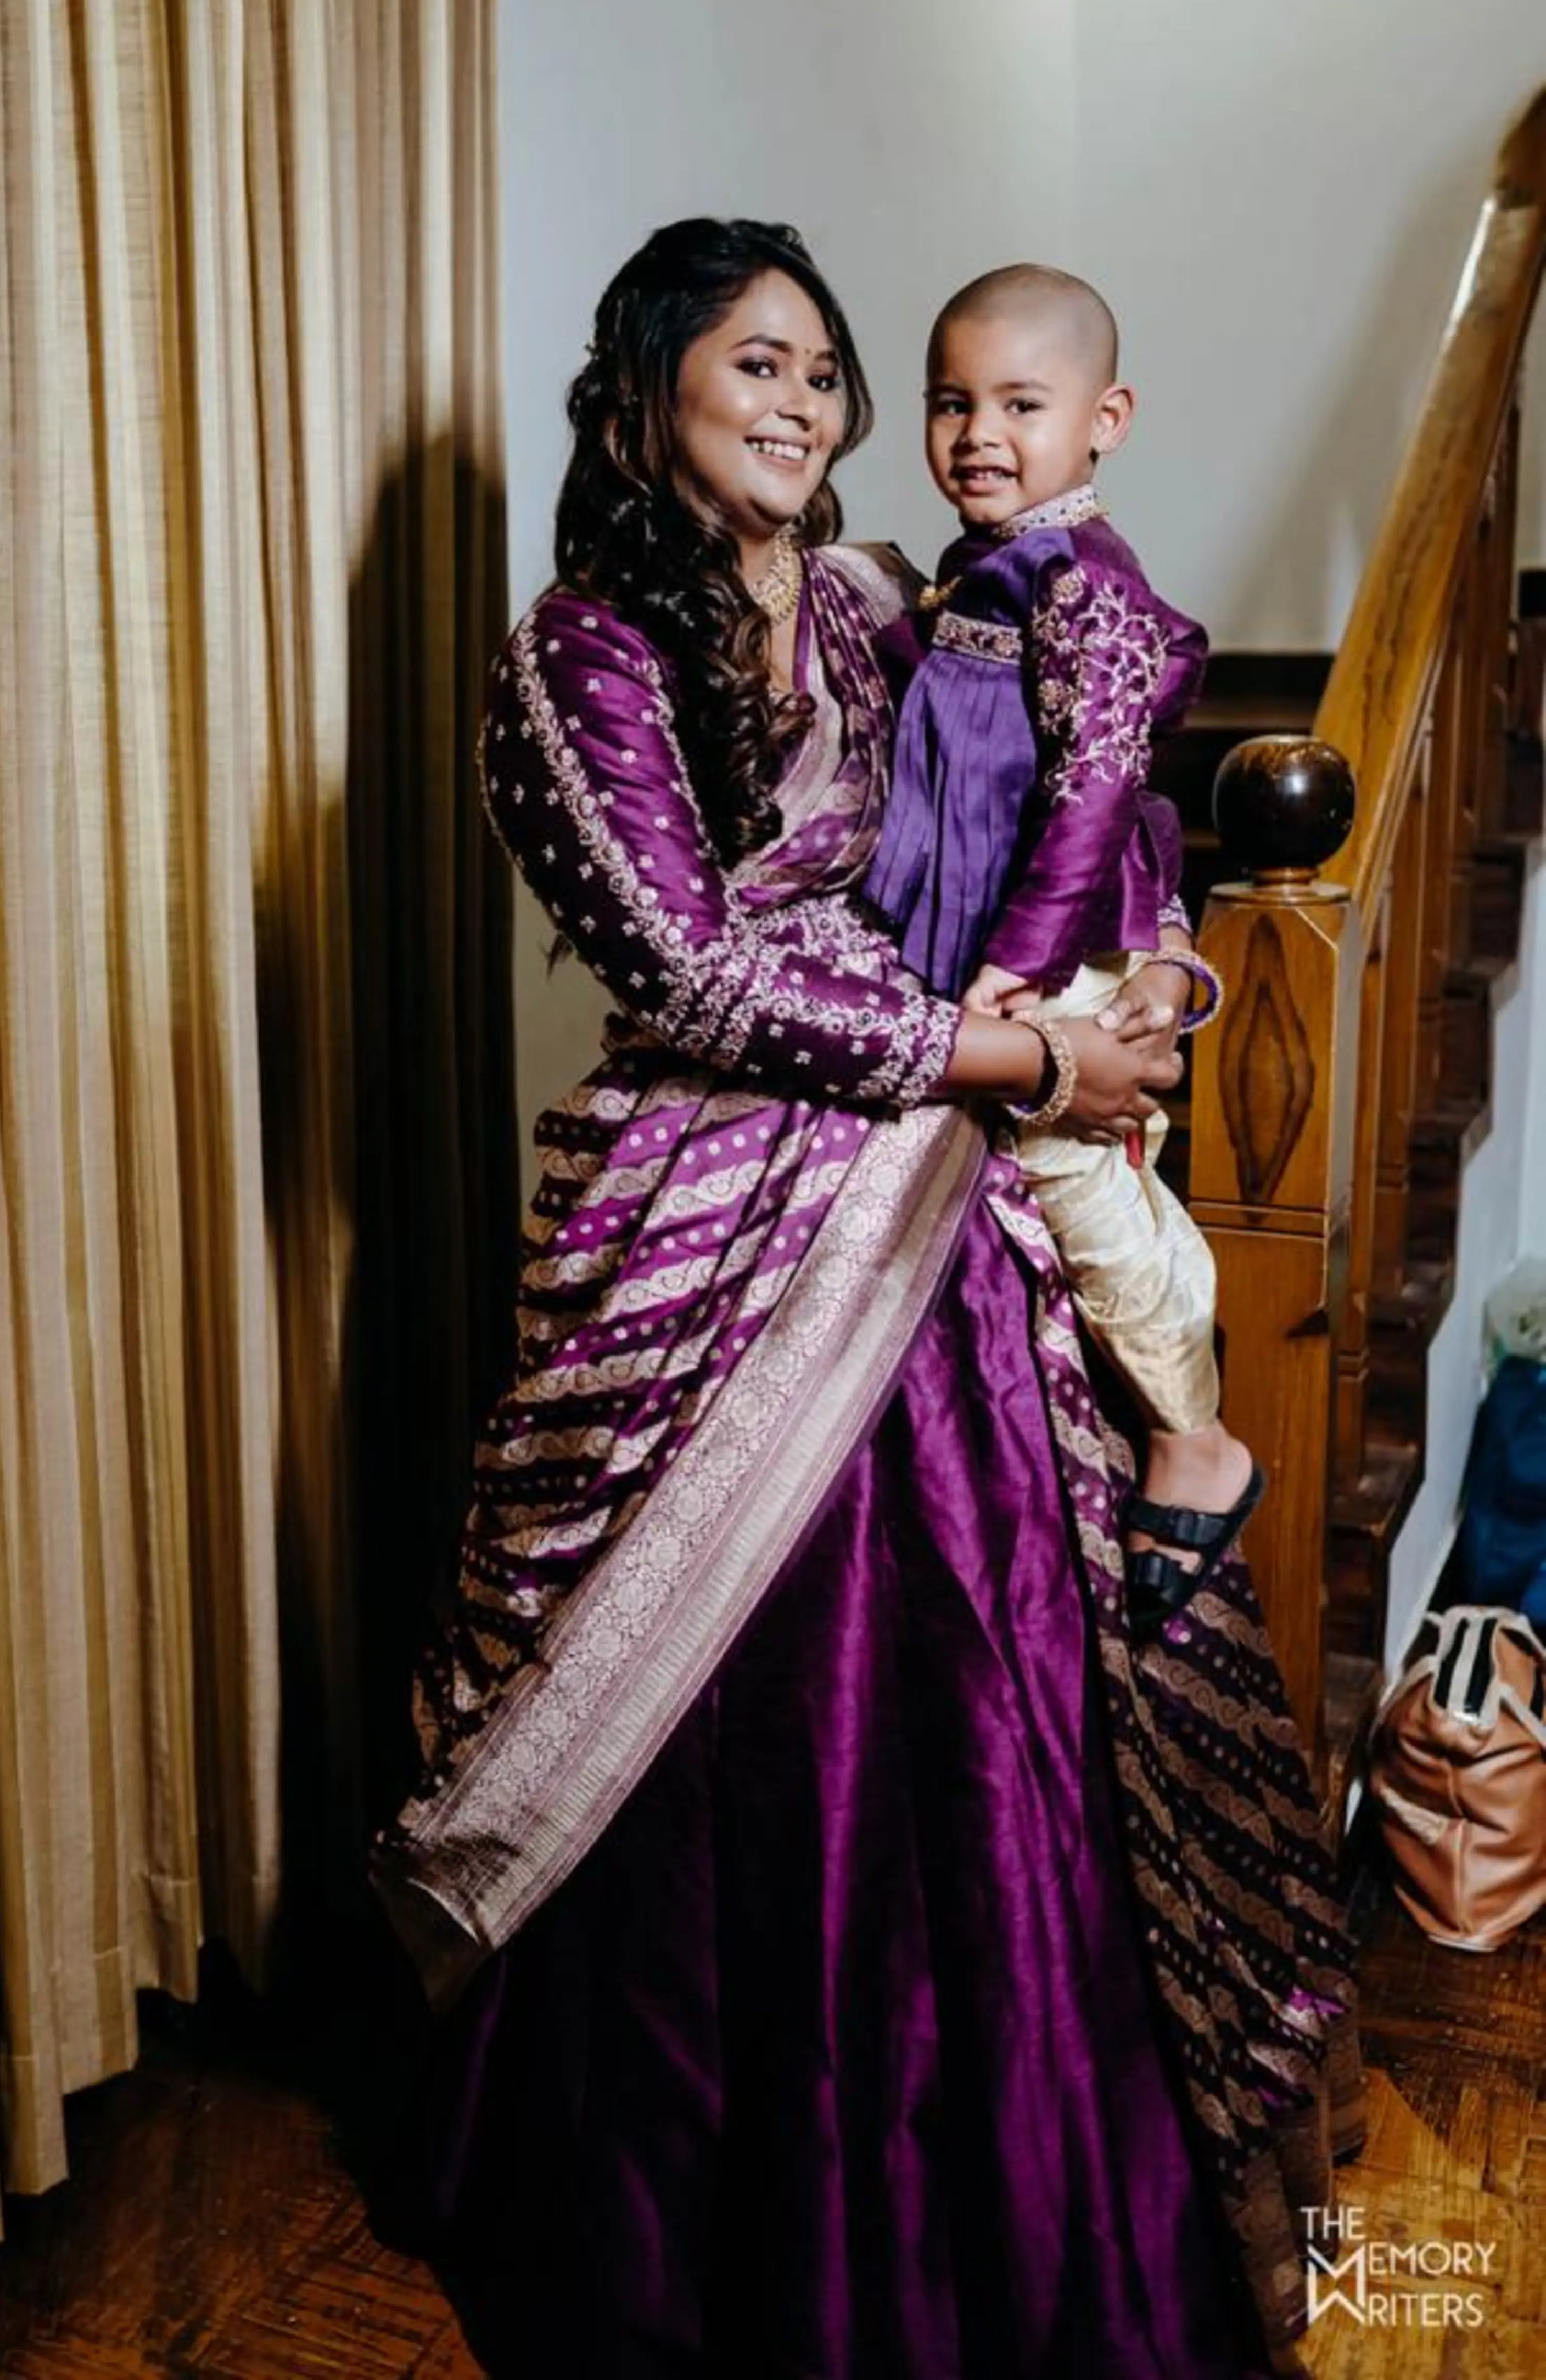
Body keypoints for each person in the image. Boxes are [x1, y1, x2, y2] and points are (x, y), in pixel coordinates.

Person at [372, 218, 1360, 2378]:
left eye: (826, 369)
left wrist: (1132, 969)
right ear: (646, 393)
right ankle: (709, 2175)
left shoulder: (874, 604)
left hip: (938, 1195)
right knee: (760, 1708)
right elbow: (691, 973)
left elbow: (1047, 825)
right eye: (760, 364)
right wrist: (1019, 1056)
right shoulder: (583, 656)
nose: (808, 406)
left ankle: (1009, 2151)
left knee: (1005, 1658)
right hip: (722, 1200)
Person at [865, 263, 1259, 1637]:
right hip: (966, 949)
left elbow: (1101, 789)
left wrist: (1029, 965)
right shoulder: (985, 571)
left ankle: (1195, 1433)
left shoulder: (1084, 579)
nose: (980, 432)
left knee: (1077, 1185)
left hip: (1034, 962)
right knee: (1038, 1198)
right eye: (951, 402)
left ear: (1108, 418)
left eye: (1022, 403)